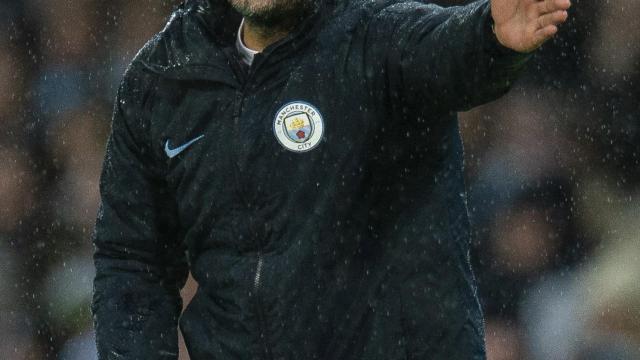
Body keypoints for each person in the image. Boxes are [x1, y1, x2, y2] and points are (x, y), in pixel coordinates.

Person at [91, 0, 570, 358]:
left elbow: (448, 52)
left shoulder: (376, 36)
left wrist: (490, 35)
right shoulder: (162, 77)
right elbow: (133, 260)